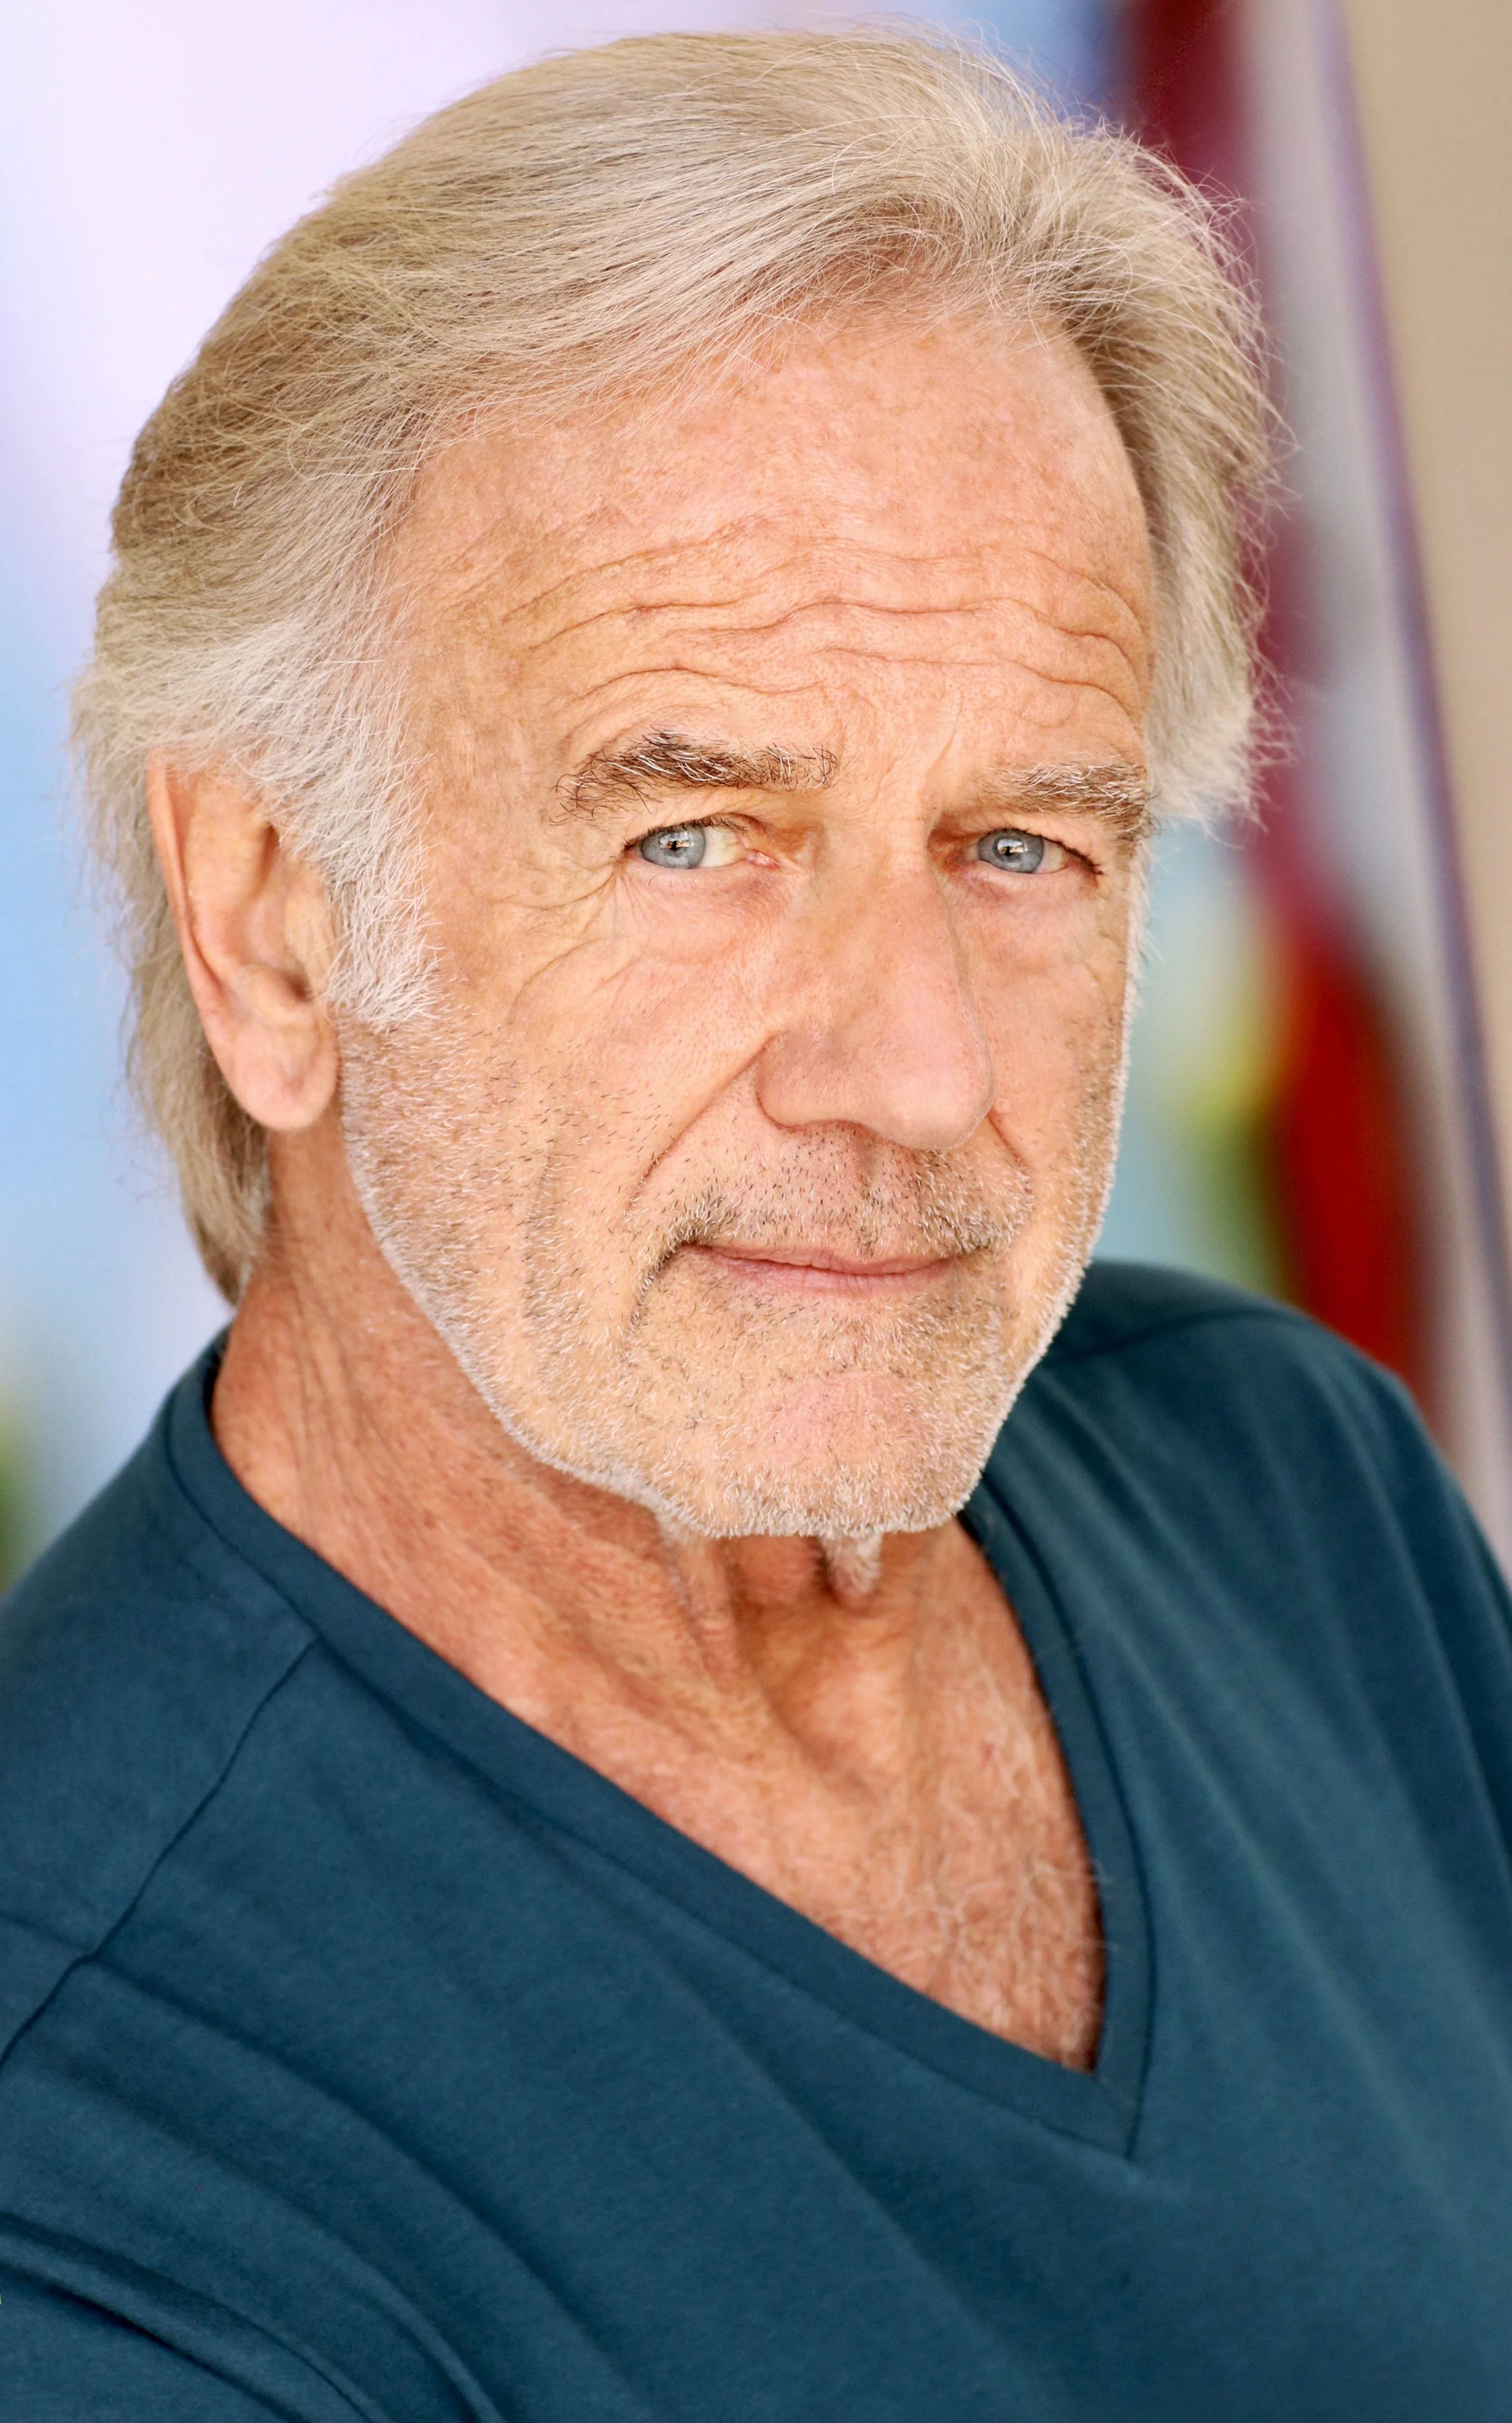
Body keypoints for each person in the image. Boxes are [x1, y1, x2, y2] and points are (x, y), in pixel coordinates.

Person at [3, 30, 1510, 2420]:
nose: (912, 1075)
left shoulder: (1289, 1489)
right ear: (273, 930)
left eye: (1023, 845)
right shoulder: (83, 2148)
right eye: (692, 835)